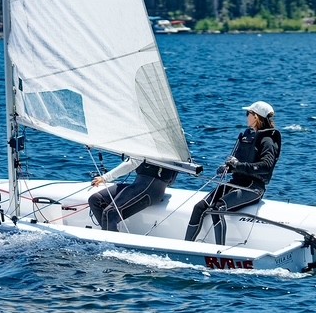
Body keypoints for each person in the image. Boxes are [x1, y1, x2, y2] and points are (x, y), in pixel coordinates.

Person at [183, 100, 282, 244]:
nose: (246, 116)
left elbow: (266, 166)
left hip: (253, 188)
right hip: (236, 183)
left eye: (248, 113)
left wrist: (238, 165)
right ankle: (186, 245)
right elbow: (239, 164)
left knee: (218, 208)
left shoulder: (267, 140)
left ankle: (219, 250)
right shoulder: (247, 136)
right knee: (199, 207)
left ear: (256, 117)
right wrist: (228, 168)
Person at [87, 159, 178, 232]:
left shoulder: (162, 149)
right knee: (95, 200)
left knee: (110, 212)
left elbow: (171, 177)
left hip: (152, 191)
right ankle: (110, 233)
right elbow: (132, 162)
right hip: (139, 186)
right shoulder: (145, 146)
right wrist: (104, 178)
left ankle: (110, 246)